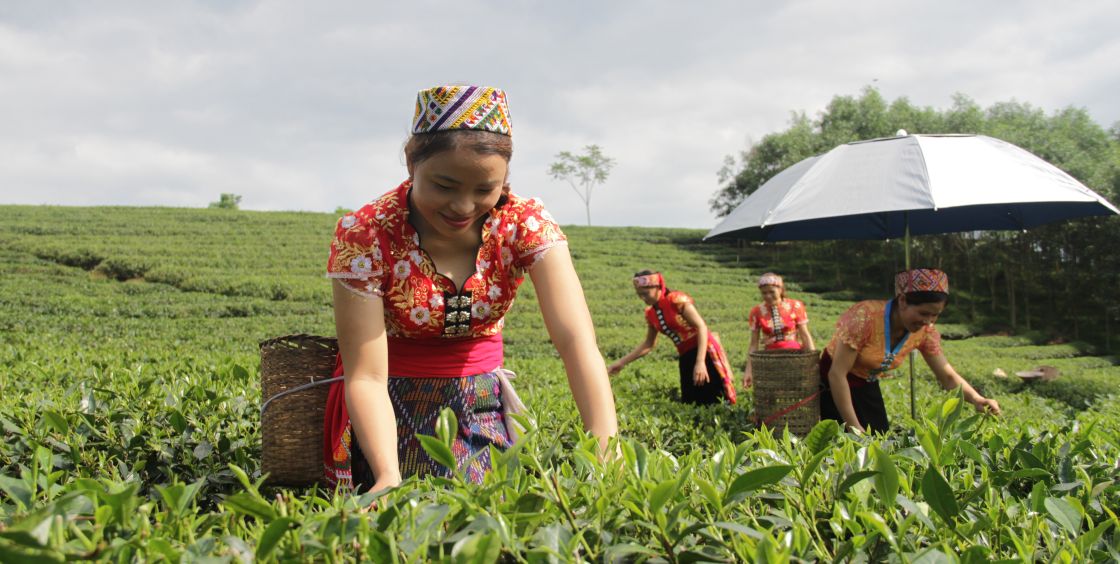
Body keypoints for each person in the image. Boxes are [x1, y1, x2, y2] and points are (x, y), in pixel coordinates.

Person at [324, 85, 619, 492]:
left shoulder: (524, 224)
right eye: (444, 186)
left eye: (484, 190)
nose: (463, 206)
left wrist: (605, 453)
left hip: (482, 404)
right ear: (411, 162)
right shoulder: (367, 233)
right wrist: (387, 474)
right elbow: (367, 376)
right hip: (388, 412)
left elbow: (577, 343)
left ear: (505, 178)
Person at [820, 269, 1001, 433]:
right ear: (903, 301)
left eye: (935, 315)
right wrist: (853, 427)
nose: (929, 321)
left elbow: (947, 376)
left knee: (878, 435)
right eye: (923, 313)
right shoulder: (865, 318)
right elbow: (837, 374)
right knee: (842, 438)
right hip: (832, 382)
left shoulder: (926, 332)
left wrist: (978, 400)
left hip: (867, 382)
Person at [607, 271, 737, 405]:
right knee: (691, 401)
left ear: (658, 287)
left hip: (703, 352)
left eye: (645, 294)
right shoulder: (651, 314)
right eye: (639, 295)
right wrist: (621, 363)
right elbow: (648, 344)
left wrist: (700, 362)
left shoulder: (676, 300)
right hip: (685, 356)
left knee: (715, 396)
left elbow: (701, 327)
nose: (643, 298)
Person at [742, 272, 815, 388]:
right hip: (771, 359)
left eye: (771, 292)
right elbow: (753, 344)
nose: (768, 296)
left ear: (780, 290)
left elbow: (805, 335)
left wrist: (813, 362)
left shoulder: (796, 306)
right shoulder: (756, 311)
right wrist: (748, 371)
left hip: (795, 357)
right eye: (764, 293)